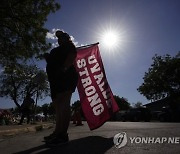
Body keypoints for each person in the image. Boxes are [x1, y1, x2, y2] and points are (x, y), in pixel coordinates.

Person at [44, 30, 78, 146]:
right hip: (55, 80)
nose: (59, 39)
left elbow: (71, 57)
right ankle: (57, 132)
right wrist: (48, 58)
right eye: (58, 38)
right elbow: (53, 63)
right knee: (58, 106)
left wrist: (64, 69)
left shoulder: (69, 46)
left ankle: (63, 134)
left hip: (66, 76)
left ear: (67, 38)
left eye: (62, 37)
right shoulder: (56, 50)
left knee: (64, 103)